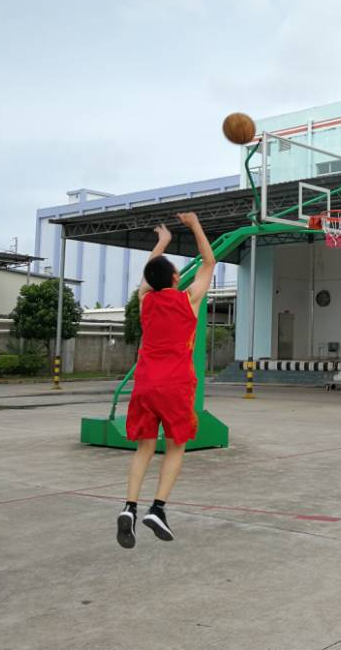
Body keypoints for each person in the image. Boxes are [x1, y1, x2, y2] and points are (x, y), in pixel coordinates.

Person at [116, 212, 216, 549]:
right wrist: (195, 225)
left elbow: (148, 274)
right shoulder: (188, 300)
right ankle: (157, 509)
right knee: (176, 446)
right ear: (175, 277)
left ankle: (129, 507)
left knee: (144, 447)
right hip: (176, 385)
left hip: (145, 384)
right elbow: (209, 261)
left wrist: (162, 242)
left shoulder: (145, 301)